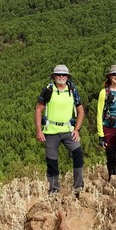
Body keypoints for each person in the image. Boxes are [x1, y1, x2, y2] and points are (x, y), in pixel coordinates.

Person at [35, 64, 85, 196]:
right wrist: (39, 131)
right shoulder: (48, 90)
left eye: (63, 75)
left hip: (68, 131)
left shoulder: (72, 90)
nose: (61, 77)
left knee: (78, 154)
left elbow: (80, 111)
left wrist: (77, 129)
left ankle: (78, 187)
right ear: (54, 76)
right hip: (51, 131)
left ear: (68, 77)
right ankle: (54, 190)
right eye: (58, 74)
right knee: (52, 162)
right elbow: (39, 109)